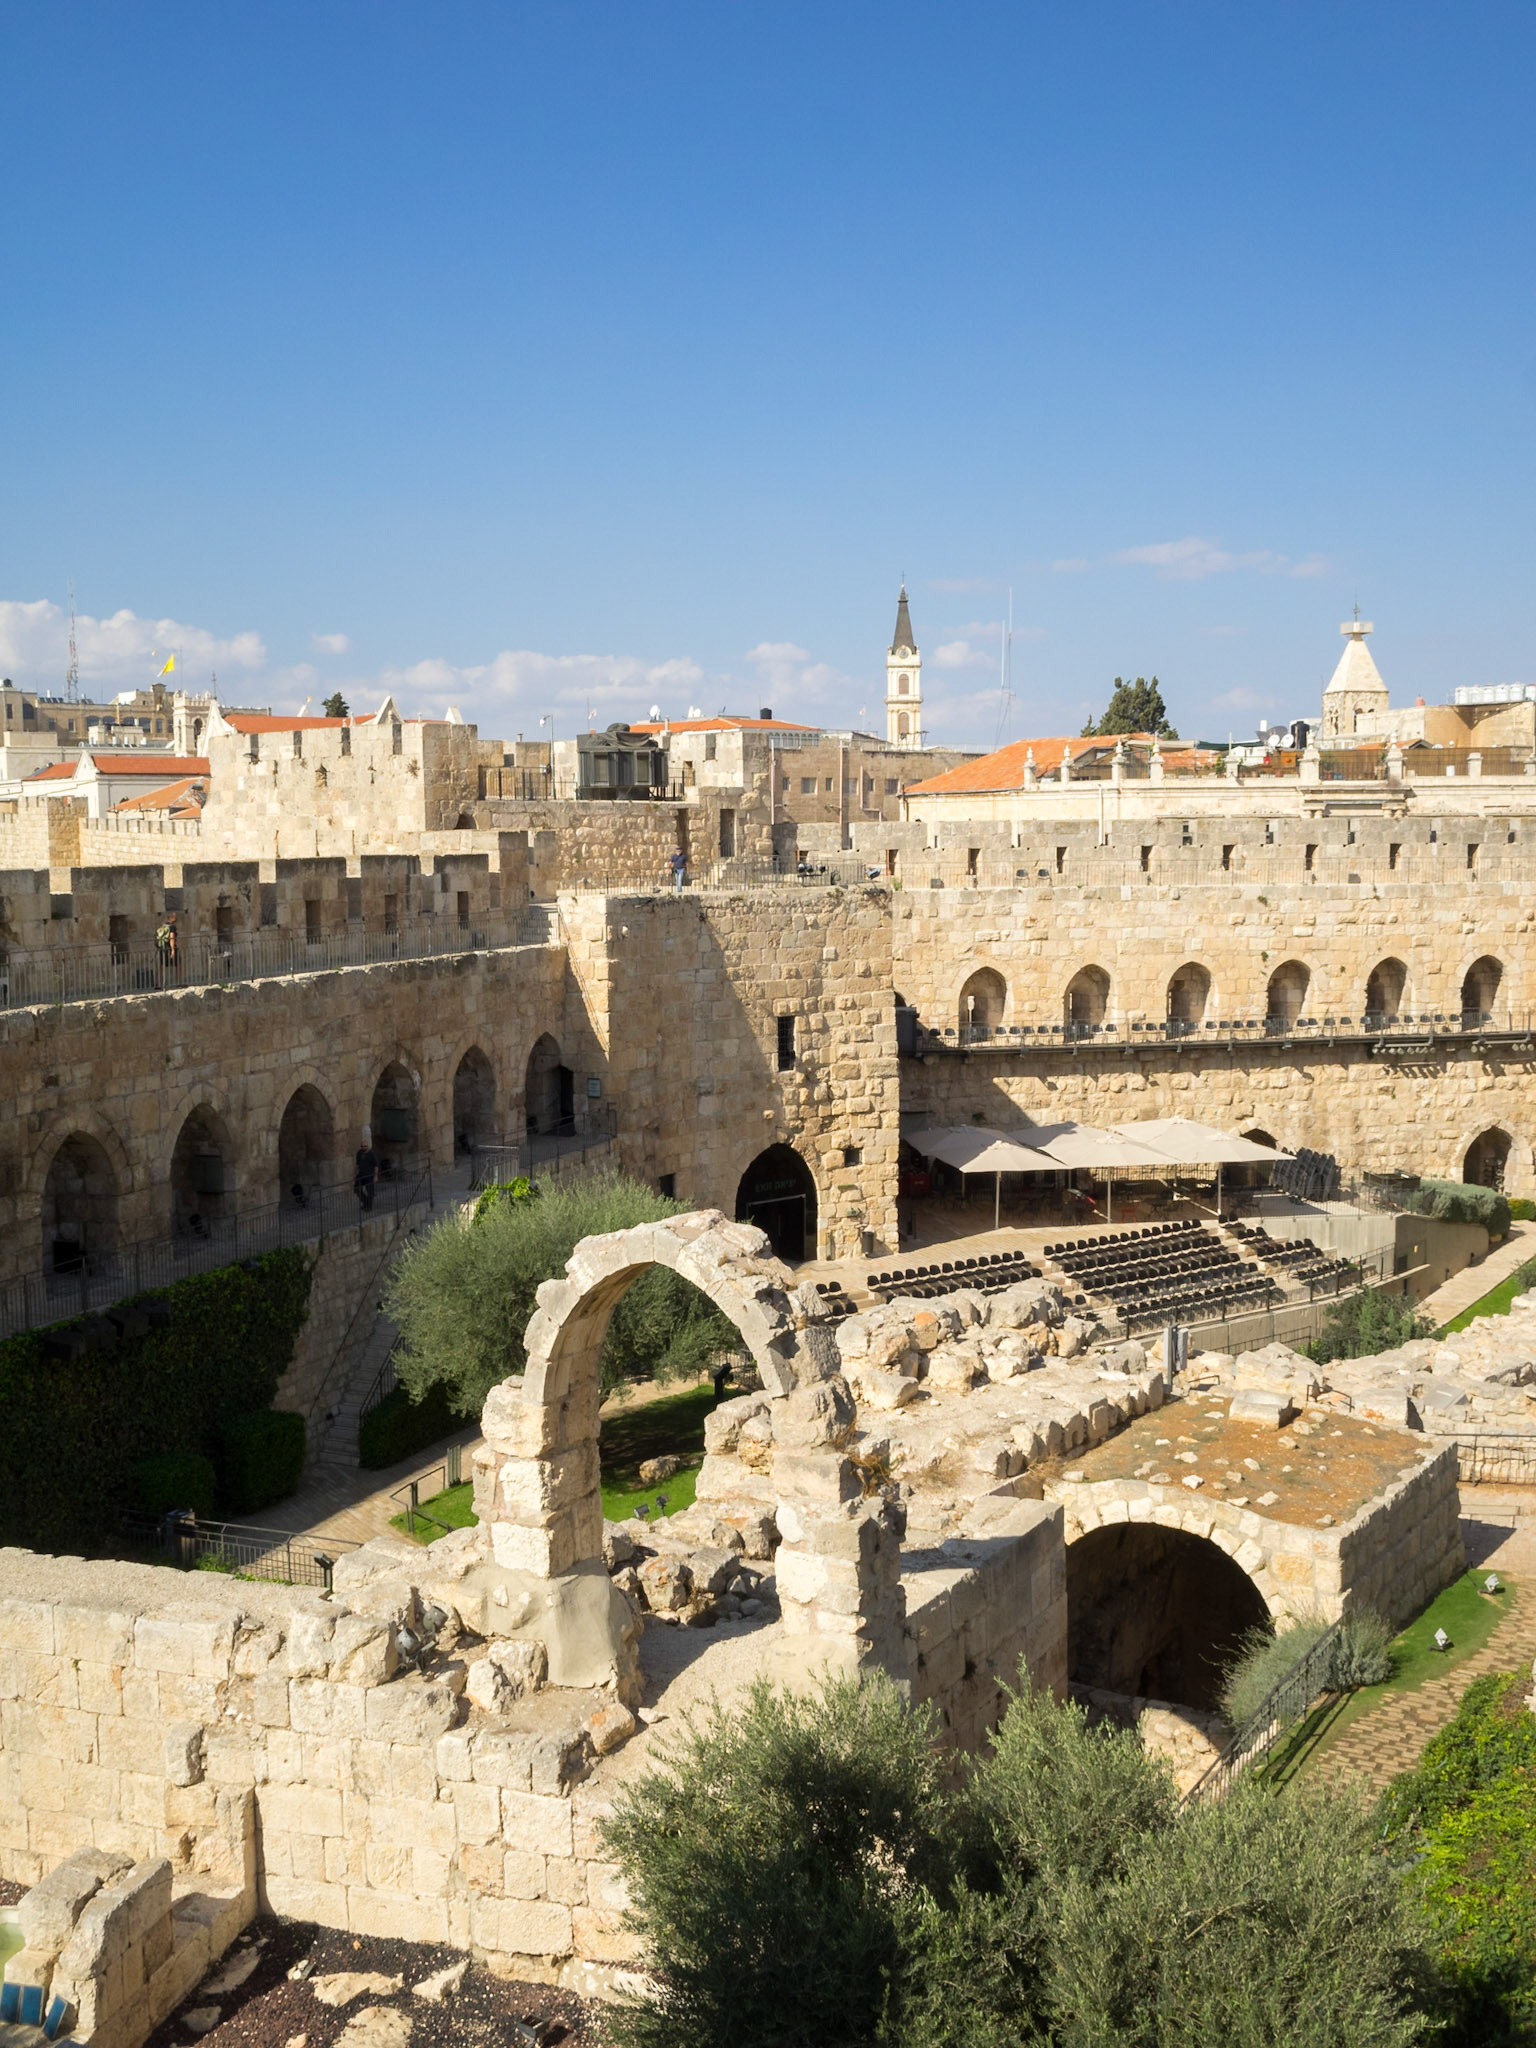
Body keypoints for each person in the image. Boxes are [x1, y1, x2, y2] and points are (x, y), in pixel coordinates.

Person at [353, 1137, 378, 1211]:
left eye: (365, 1146)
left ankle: (369, 1207)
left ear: (368, 1146)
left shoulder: (371, 1154)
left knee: (370, 1191)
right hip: (361, 1175)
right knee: (357, 1189)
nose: (363, 1148)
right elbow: (357, 1164)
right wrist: (355, 1174)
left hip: (369, 1175)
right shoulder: (359, 1153)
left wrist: (375, 1176)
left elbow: (376, 1165)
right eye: (362, 1146)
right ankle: (365, 1202)